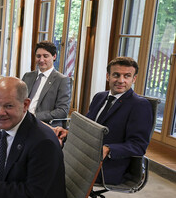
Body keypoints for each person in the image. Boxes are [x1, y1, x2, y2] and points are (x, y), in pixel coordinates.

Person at [54, 57, 153, 185]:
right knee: (41, 158)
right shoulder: (99, 97)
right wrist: (68, 132)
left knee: (49, 169)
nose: (121, 80)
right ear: (108, 76)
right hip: (83, 155)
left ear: (134, 79)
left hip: (107, 166)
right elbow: (87, 127)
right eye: (116, 75)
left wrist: (108, 149)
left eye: (127, 76)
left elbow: (138, 145)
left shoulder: (139, 105)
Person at [21, 41, 71, 126]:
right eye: (38, 56)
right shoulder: (27, 76)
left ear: (54, 56)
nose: (41, 60)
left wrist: (34, 116)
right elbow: (18, 99)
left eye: (45, 56)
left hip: (42, 124)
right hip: (21, 120)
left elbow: (62, 111)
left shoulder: (62, 80)